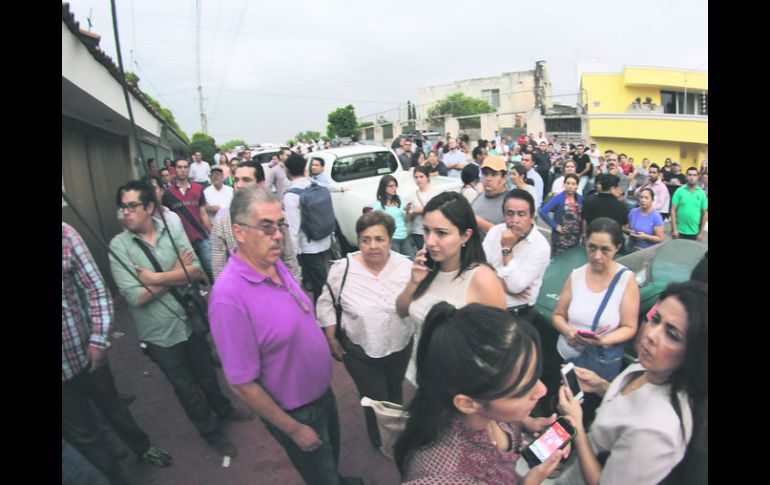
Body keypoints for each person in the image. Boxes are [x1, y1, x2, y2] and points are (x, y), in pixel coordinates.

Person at [208, 187, 362, 485]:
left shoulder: (273, 263)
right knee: (321, 475)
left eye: (280, 224)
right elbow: (241, 383)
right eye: (266, 226)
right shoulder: (228, 297)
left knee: (330, 458)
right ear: (238, 232)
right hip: (296, 411)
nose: (277, 234)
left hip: (321, 394)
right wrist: (293, 429)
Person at [109, 181, 251, 459]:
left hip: (189, 320)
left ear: (149, 207)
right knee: (186, 388)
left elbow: (196, 271)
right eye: (121, 207)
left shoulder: (172, 230)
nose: (125, 212)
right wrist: (176, 273)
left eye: (132, 206)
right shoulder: (118, 247)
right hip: (159, 334)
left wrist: (155, 278)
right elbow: (136, 296)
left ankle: (224, 409)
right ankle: (210, 432)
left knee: (208, 376)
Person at [395, 303, 568, 484]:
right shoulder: (445, 477)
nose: (542, 391)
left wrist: (528, 423)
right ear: (468, 404)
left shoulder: (486, 405)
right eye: (524, 389)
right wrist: (532, 480)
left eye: (536, 376)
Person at [557, 281, 707, 485]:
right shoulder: (653, 365)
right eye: (655, 319)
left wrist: (577, 426)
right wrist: (600, 385)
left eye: (672, 334)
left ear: (694, 353)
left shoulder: (657, 432)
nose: (651, 335)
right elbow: (632, 407)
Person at [63, 223, 172, 485]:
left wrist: (99, 340)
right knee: (85, 436)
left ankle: (142, 447)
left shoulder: (65, 235)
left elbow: (97, 289)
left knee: (113, 406)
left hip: (88, 354)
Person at [317, 212, 414, 450]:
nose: (372, 246)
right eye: (366, 239)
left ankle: (398, 436)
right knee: (376, 401)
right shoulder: (343, 269)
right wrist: (331, 338)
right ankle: (380, 441)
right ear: (358, 241)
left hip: (399, 346)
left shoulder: (406, 266)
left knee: (395, 394)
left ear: (390, 240)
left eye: (379, 239)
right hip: (361, 352)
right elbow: (326, 302)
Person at [396, 191, 506, 387]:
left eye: (441, 233)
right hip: (422, 378)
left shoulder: (482, 279)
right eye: (426, 230)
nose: (430, 241)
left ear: (465, 235)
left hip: (459, 386)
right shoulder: (426, 267)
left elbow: (501, 345)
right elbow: (402, 311)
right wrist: (413, 282)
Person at [549, 218, 640, 424]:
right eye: (592, 248)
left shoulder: (625, 280)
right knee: (562, 411)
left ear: (617, 248)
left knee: (586, 416)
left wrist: (602, 341)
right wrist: (568, 331)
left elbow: (629, 327)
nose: (597, 256)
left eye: (605, 250)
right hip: (566, 359)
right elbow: (558, 315)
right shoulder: (576, 275)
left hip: (596, 367)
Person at [210, 161, 301, 282]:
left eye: (246, 180)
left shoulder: (278, 216)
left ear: (261, 184)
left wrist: (294, 291)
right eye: (236, 180)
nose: (239, 185)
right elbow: (219, 270)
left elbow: (290, 259)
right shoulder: (222, 221)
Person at [482, 189, 551, 323]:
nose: (515, 220)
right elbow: (478, 265)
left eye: (521, 214)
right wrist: (502, 283)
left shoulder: (540, 246)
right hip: (487, 305)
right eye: (510, 214)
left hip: (516, 315)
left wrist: (507, 248)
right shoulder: (495, 231)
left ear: (531, 217)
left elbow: (514, 286)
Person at [284, 153, 333, 302]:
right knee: (323, 278)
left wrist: (293, 255)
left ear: (288, 171)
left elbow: (293, 229)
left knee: (319, 285)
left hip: (308, 246)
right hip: (325, 239)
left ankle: (324, 316)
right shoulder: (315, 184)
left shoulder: (291, 196)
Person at [163, 158, 214, 283]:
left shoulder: (198, 188)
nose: (183, 170)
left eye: (185, 167)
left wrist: (211, 233)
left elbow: (203, 212)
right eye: (180, 167)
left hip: (200, 237)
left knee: (212, 270)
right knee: (192, 275)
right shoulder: (168, 193)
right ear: (174, 170)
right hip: (182, 243)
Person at [374, 174, 416, 259]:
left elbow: (406, 220)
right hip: (392, 239)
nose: (394, 189)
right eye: (391, 186)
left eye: (395, 186)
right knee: (396, 264)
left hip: (404, 236)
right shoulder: (379, 205)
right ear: (384, 187)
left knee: (411, 261)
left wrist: (407, 212)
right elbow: (374, 222)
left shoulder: (399, 200)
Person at [540, 174, 583, 256]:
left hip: (575, 237)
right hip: (561, 238)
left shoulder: (580, 198)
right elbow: (543, 212)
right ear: (564, 185)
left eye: (573, 184)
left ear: (577, 186)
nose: (570, 186)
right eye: (568, 183)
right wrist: (555, 226)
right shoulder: (559, 198)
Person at [471, 155, 510, 239]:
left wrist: (479, 222)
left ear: (504, 178)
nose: (488, 178)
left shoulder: (509, 203)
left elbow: (508, 236)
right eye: (485, 174)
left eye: (494, 174)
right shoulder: (480, 195)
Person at [403, 166, 440, 251]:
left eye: (421, 176)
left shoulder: (435, 192)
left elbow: (439, 211)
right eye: (416, 177)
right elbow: (408, 219)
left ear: (427, 177)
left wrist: (421, 210)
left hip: (433, 230)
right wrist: (409, 212)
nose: (418, 179)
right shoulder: (412, 195)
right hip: (417, 232)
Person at [671, 167, 708, 241]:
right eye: (690, 175)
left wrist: (701, 233)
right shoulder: (679, 191)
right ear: (686, 177)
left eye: (694, 175)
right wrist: (674, 230)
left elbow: (705, 213)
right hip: (679, 232)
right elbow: (673, 210)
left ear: (698, 177)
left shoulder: (702, 193)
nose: (692, 177)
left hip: (695, 232)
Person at [626, 187, 664, 252]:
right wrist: (630, 231)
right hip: (630, 248)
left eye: (646, 198)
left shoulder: (656, 216)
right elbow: (628, 227)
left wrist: (646, 236)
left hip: (645, 251)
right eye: (641, 197)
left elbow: (660, 238)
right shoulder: (633, 211)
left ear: (652, 200)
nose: (643, 200)